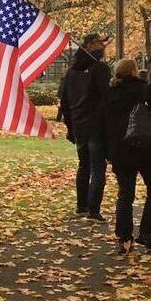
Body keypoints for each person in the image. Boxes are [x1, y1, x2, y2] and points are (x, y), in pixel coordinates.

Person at [104, 59, 151, 254]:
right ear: (135, 72)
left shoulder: (110, 93)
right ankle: (146, 232)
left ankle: (124, 238)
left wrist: (108, 152)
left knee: (125, 194)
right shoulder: (147, 91)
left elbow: (104, 126)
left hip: (121, 150)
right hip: (148, 150)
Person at [57, 32, 112, 222]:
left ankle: (82, 205)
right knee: (97, 167)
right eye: (99, 43)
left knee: (84, 165)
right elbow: (108, 97)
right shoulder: (100, 69)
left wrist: (70, 125)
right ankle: (93, 209)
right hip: (95, 126)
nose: (103, 46)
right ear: (88, 45)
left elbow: (64, 101)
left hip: (79, 124)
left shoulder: (71, 72)